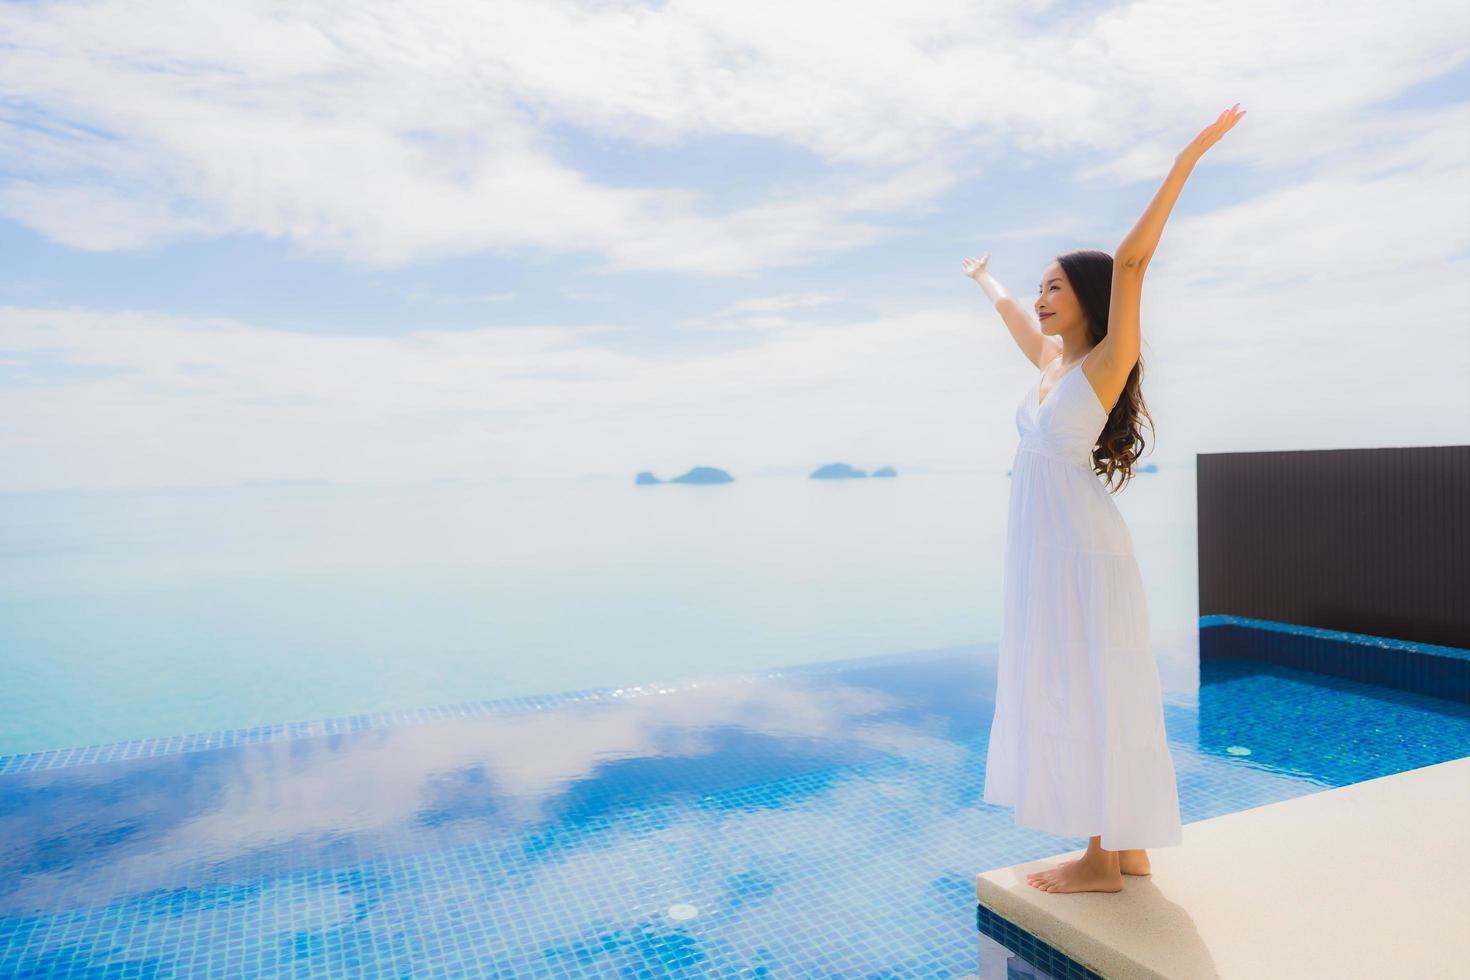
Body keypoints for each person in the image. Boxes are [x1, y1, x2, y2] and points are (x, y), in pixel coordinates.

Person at [962, 104, 1246, 894]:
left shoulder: (1106, 362)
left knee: (1091, 683)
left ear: (1087, 295)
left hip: (1079, 546)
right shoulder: (1054, 364)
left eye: (1056, 287)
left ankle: (1100, 859)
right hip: (1052, 546)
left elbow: (1130, 263)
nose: (1044, 298)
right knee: (1082, 680)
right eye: (1042, 288)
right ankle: (1129, 844)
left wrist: (1185, 161)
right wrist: (987, 279)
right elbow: (1017, 320)